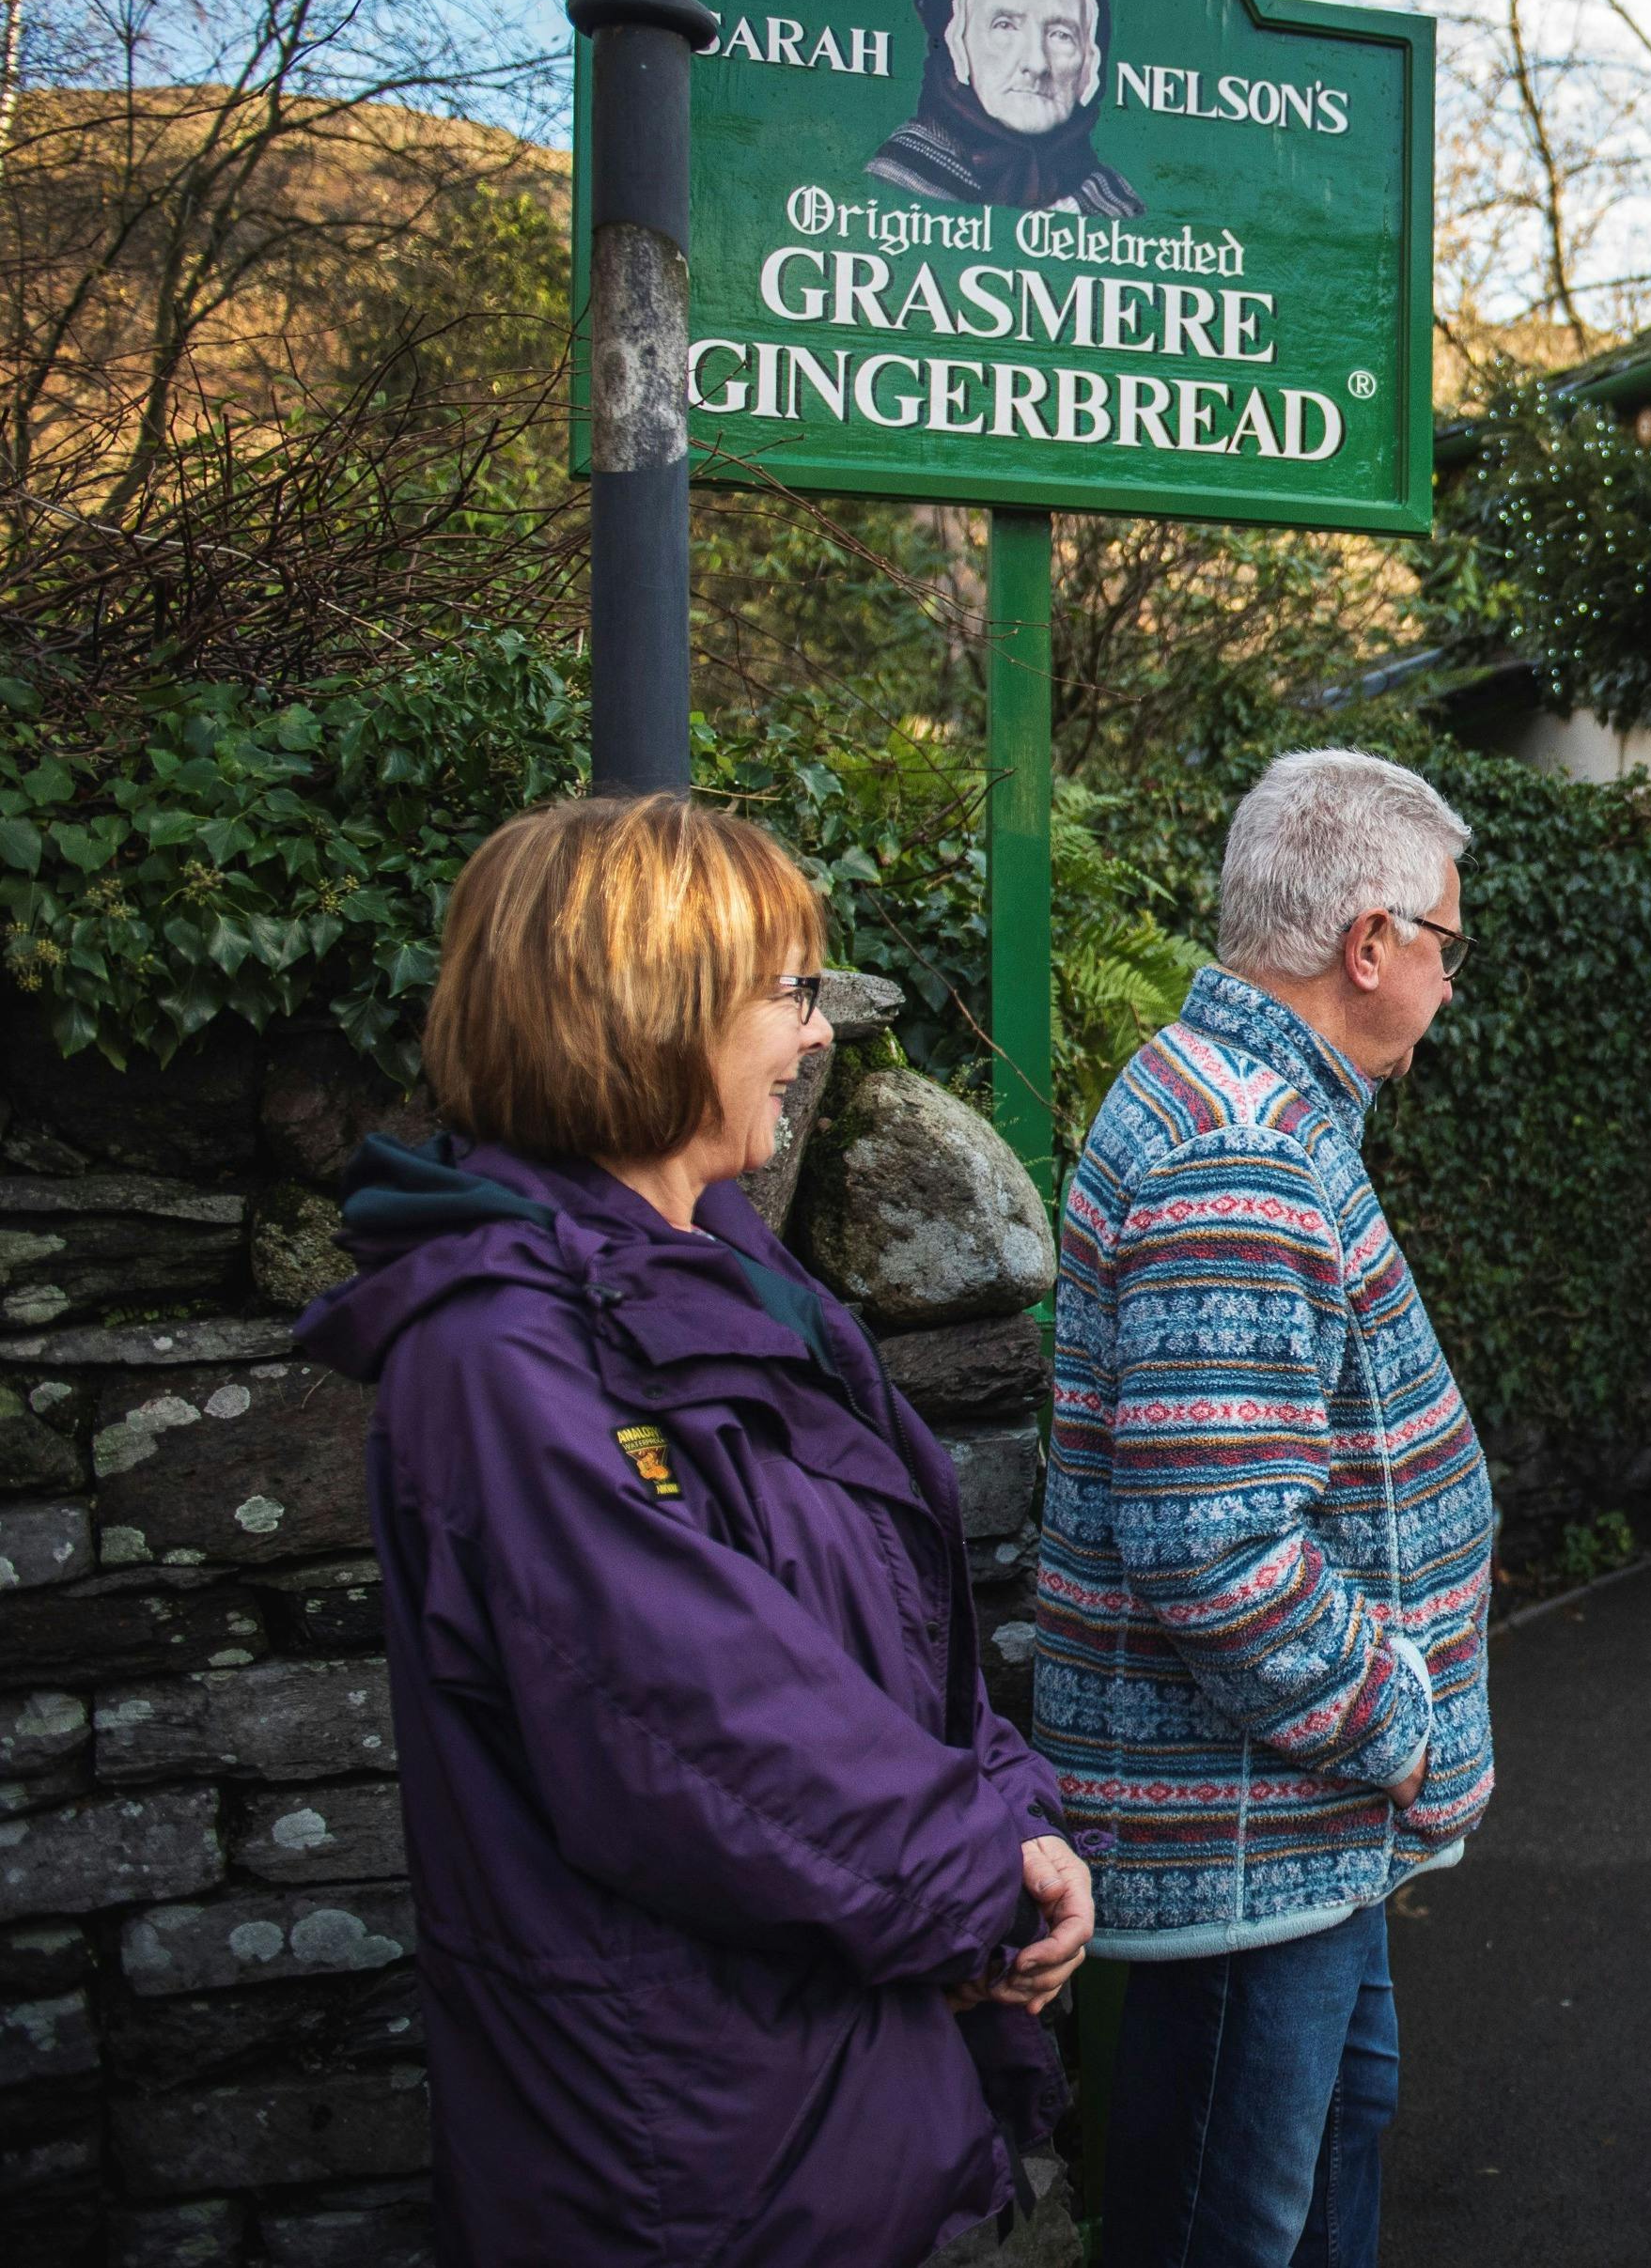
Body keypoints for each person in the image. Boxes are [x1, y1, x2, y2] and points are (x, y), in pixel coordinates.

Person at [299, 794, 1091, 2266]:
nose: (814, 1035)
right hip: (686, 2159)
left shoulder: (734, 1267)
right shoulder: (500, 1352)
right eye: (788, 990)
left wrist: (1018, 1812)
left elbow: (902, 1641)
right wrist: (995, 1881)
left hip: (829, 2111)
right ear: (649, 1008)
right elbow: (693, 1727)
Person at [1034, 747, 1500, 2268]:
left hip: (1293, 1839)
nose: (1446, 981)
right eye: (1443, 941)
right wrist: (1410, 1731)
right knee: (1228, 2233)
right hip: (1251, 1836)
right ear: (1368, 945)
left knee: (1328, 2158)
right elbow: (1221, 1556)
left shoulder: (1242, 1102)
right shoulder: (1240, 1152)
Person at [866, 0, 1146, 216]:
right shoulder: (899, 181)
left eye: (1061, 34)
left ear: (1089, 64)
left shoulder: (1114, 204)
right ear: (958, 44)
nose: (1037, 64)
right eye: (1005, 26)